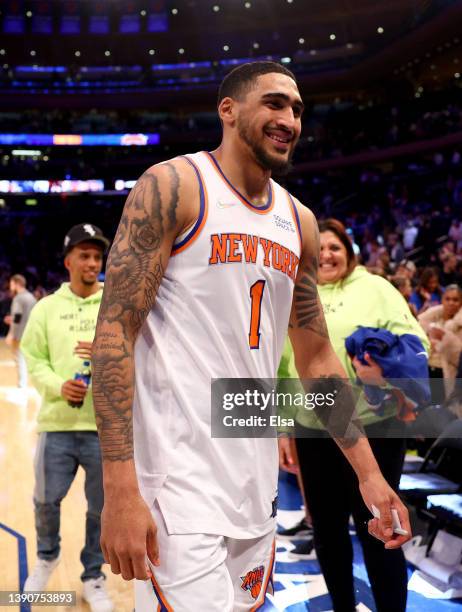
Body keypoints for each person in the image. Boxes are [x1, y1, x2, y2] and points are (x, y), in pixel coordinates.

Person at [91, 61, 411, 611]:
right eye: (275, 103)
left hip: (253, 482)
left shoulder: (299, 221)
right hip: (174, 486)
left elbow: (315, 359)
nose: (289, 118)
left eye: (297, 109)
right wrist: (118, 488)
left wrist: (370, 476)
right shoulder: (174, 186)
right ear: (229, 109)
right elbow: (114, 331)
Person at [279, 218, 429, 612]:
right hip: (313, 431)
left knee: (380, 529)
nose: (326, 255)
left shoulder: (377, 288)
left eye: (334, 247)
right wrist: (282, 428)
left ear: (348, 252)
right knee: (327, 531)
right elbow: (281, 367)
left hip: (376, 429)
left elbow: (417, 343)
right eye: (320, 248)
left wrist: (384, 372)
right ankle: (342, 606)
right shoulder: (293, 293)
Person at [20, 224, 113, 612]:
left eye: (97, 256)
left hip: (105, 427)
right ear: (68, 261)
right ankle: (46, 557)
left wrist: (105, 351)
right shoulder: (45, 309)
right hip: (57, 424)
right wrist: (60, 386)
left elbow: (138, 350)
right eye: (85, 256)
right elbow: (33, 359)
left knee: (100, 509)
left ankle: (93, 575)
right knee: (45, 500)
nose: (92, 263)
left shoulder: (115, 304)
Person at [418, 284, 462, 402]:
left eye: (455, 300)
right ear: (442, 300)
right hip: (425, 371)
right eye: (447, 299)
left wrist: (445, 341)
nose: (451, 303)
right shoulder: (428, 319)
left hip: (446, 375)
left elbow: (459, 357)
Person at [4, 274, 36, 388]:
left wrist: (10, 334)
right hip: (30, 332)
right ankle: (31, 383)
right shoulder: (31, 297)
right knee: (28, 359)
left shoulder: (18, 297)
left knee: (19, 358)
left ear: (17, 284)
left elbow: (17, 317)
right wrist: (11, 319)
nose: (10, 286)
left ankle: (22, 384)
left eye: (11, 283)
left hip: (19, 333)